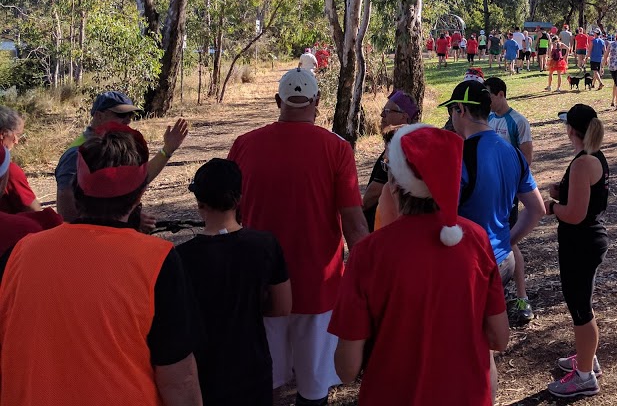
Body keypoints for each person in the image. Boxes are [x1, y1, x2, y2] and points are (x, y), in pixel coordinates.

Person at [0, 123, 202, 406]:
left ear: (77, 188)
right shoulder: (157, 261)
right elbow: (178, 380)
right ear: (138, 197)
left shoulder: (22, 251)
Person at [331, 125, 510, 406]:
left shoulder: (368, 254)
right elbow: (499, 338)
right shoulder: (476, 239)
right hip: (467, 395)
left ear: (394, 182)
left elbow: (346, 369)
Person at [228, 68, 367, 406]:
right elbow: (353, 222)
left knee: (265, 381)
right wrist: (367, 277)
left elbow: (230, 214)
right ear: (317, 101)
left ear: (278, 101)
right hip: (318, 285)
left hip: (260, 284)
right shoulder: (336, 148)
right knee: (313, 386)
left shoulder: (244, 145)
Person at [442, 81, 545, 392]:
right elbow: (537, 209)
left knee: (460, 350)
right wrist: (508, 241)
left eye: (451, 110)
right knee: (484, 349)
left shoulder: (460, 154)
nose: (451, 117)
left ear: (460, 109)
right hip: (502, 262)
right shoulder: (511, 152)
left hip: (468, 267)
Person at [177, 159, 292, 406]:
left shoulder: (181, 257)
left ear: (199, 202)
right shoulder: (265, 245)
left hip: (204, 372)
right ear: (239, 198)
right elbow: (282, 306)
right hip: (252, 365)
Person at [544, 105, 610, 398]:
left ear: (572, 130)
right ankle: (586, 358)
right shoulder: (592, 157)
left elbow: (575, 214)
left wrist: (552, 207)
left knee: (581, 310)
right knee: (582, 305)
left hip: (581, 243)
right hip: (585, 242)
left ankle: (584, 377)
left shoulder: (584, 162)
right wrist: (562, 189)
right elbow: (586, 195)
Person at [53, 92, 188, 223]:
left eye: (130, 115)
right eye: (121, 114)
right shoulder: (76, 153)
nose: (128, 119)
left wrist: (167, 149)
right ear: (99, 115)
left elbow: (137, 180)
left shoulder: (114, 146)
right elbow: (66, 209)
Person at [484, 77, 536, 326]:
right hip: (487, 194)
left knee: (508, 242)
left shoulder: (518, 121)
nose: (487, 101)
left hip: (509, 195)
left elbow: (525, 160)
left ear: (501, 94)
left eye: (490, 96)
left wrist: (511, 189)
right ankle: (496, 293)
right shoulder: (487, 119)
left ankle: (522, 297)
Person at [362, 90, 420, 232]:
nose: (382, 116)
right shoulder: (409, 143)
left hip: (386, 228)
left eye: (388, 111)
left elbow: (373, 193)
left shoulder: (399, 149)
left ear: (405, 117)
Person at [0, 106, 42, 215]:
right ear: (3, 134)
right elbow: (35, 213)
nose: (17, 141)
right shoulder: (9, 171)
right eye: (16, 135)